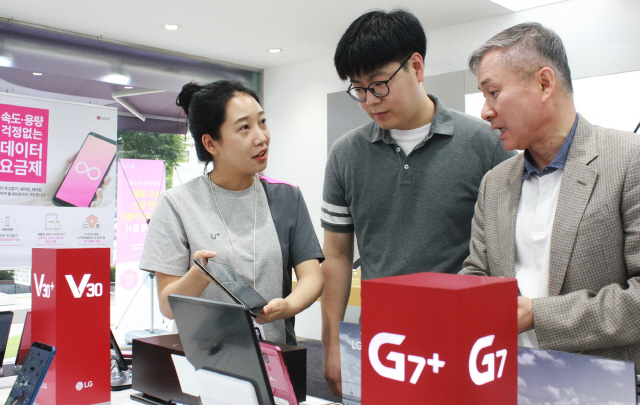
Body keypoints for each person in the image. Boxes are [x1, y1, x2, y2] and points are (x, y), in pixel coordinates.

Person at [320, 9, 516, 395]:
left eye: (378, 85)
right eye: (358, 89)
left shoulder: (486, 144)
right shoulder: (345, 154)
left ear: (416, 66)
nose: (369, 101)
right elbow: (338, 257)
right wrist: (331, 343)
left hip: (466, 341)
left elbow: (509, 252)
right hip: (381, 343)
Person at [460, 22, 640, 367]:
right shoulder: (495, 183)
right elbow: (477, 272)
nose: (485, 111)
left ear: (544, 83)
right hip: (508, 377)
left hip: (602, 383)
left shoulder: (629, 161)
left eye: (493, 92)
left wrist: (539, 315)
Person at [139, 80, 324, 345]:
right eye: (244, 128)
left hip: (277, 358)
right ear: (211, 144)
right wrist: (199, 275)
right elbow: (168, 306)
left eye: (262, 122)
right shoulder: (176, 204)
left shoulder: (286, 197)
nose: (261, 137)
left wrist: (289, 305)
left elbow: (312, 276)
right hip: (205, 361)